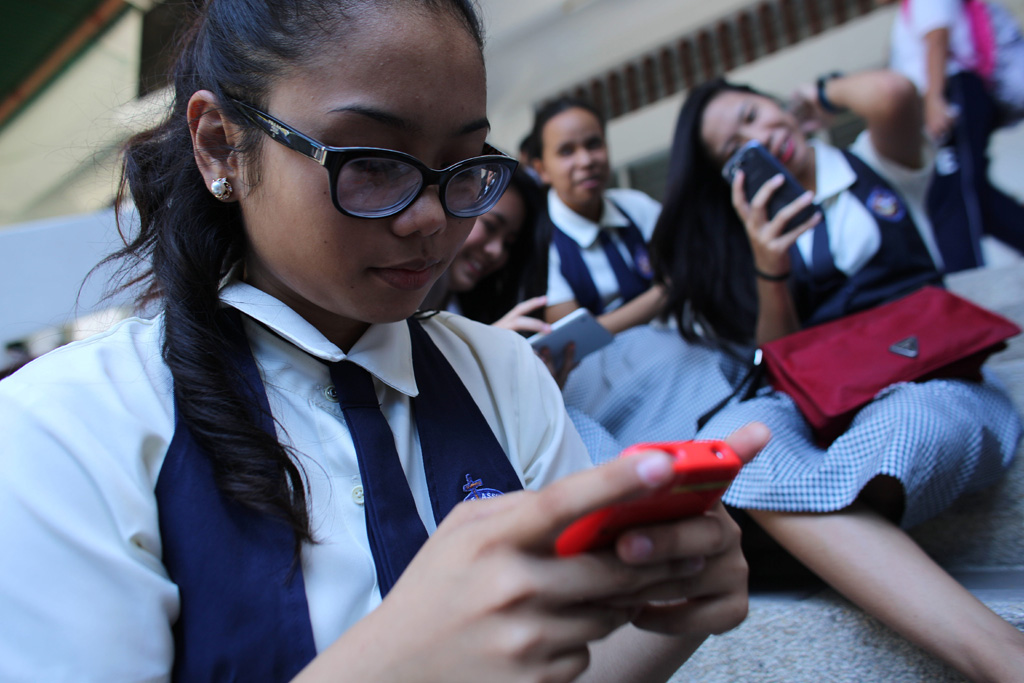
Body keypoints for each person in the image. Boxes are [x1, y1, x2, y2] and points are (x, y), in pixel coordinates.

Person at [0, 1, 767, 681]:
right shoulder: (64, 427)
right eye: (370, 161)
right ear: (220, 146)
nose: (433, 217)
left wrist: (661, 609)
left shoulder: (502, 373)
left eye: (463, 167)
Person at [649, 70, 1024, 682]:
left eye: (753, 114)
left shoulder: (873, 161)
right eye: (734, 147)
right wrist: (771, 267)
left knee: (905, 423)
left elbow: (895, 96)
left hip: (932, 375)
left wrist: (811, 97)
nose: (758, 137)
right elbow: (780, 362)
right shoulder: (753, 239)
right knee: (738, 441)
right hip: (826, 405)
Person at [889, 0, 1024, 271]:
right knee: (971, 194)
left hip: (955, 91)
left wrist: (935, 100)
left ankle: (968, 285)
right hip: (953, 92)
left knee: (953, 196)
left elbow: (938, 37)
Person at [529, 97, 667, 333]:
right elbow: (576, 336)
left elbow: (694, 264)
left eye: (594, 144)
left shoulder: (636, 206)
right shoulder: (539, 244)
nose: (586, 161)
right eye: (566, 151)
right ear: (542, 170)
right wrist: (667, 293)